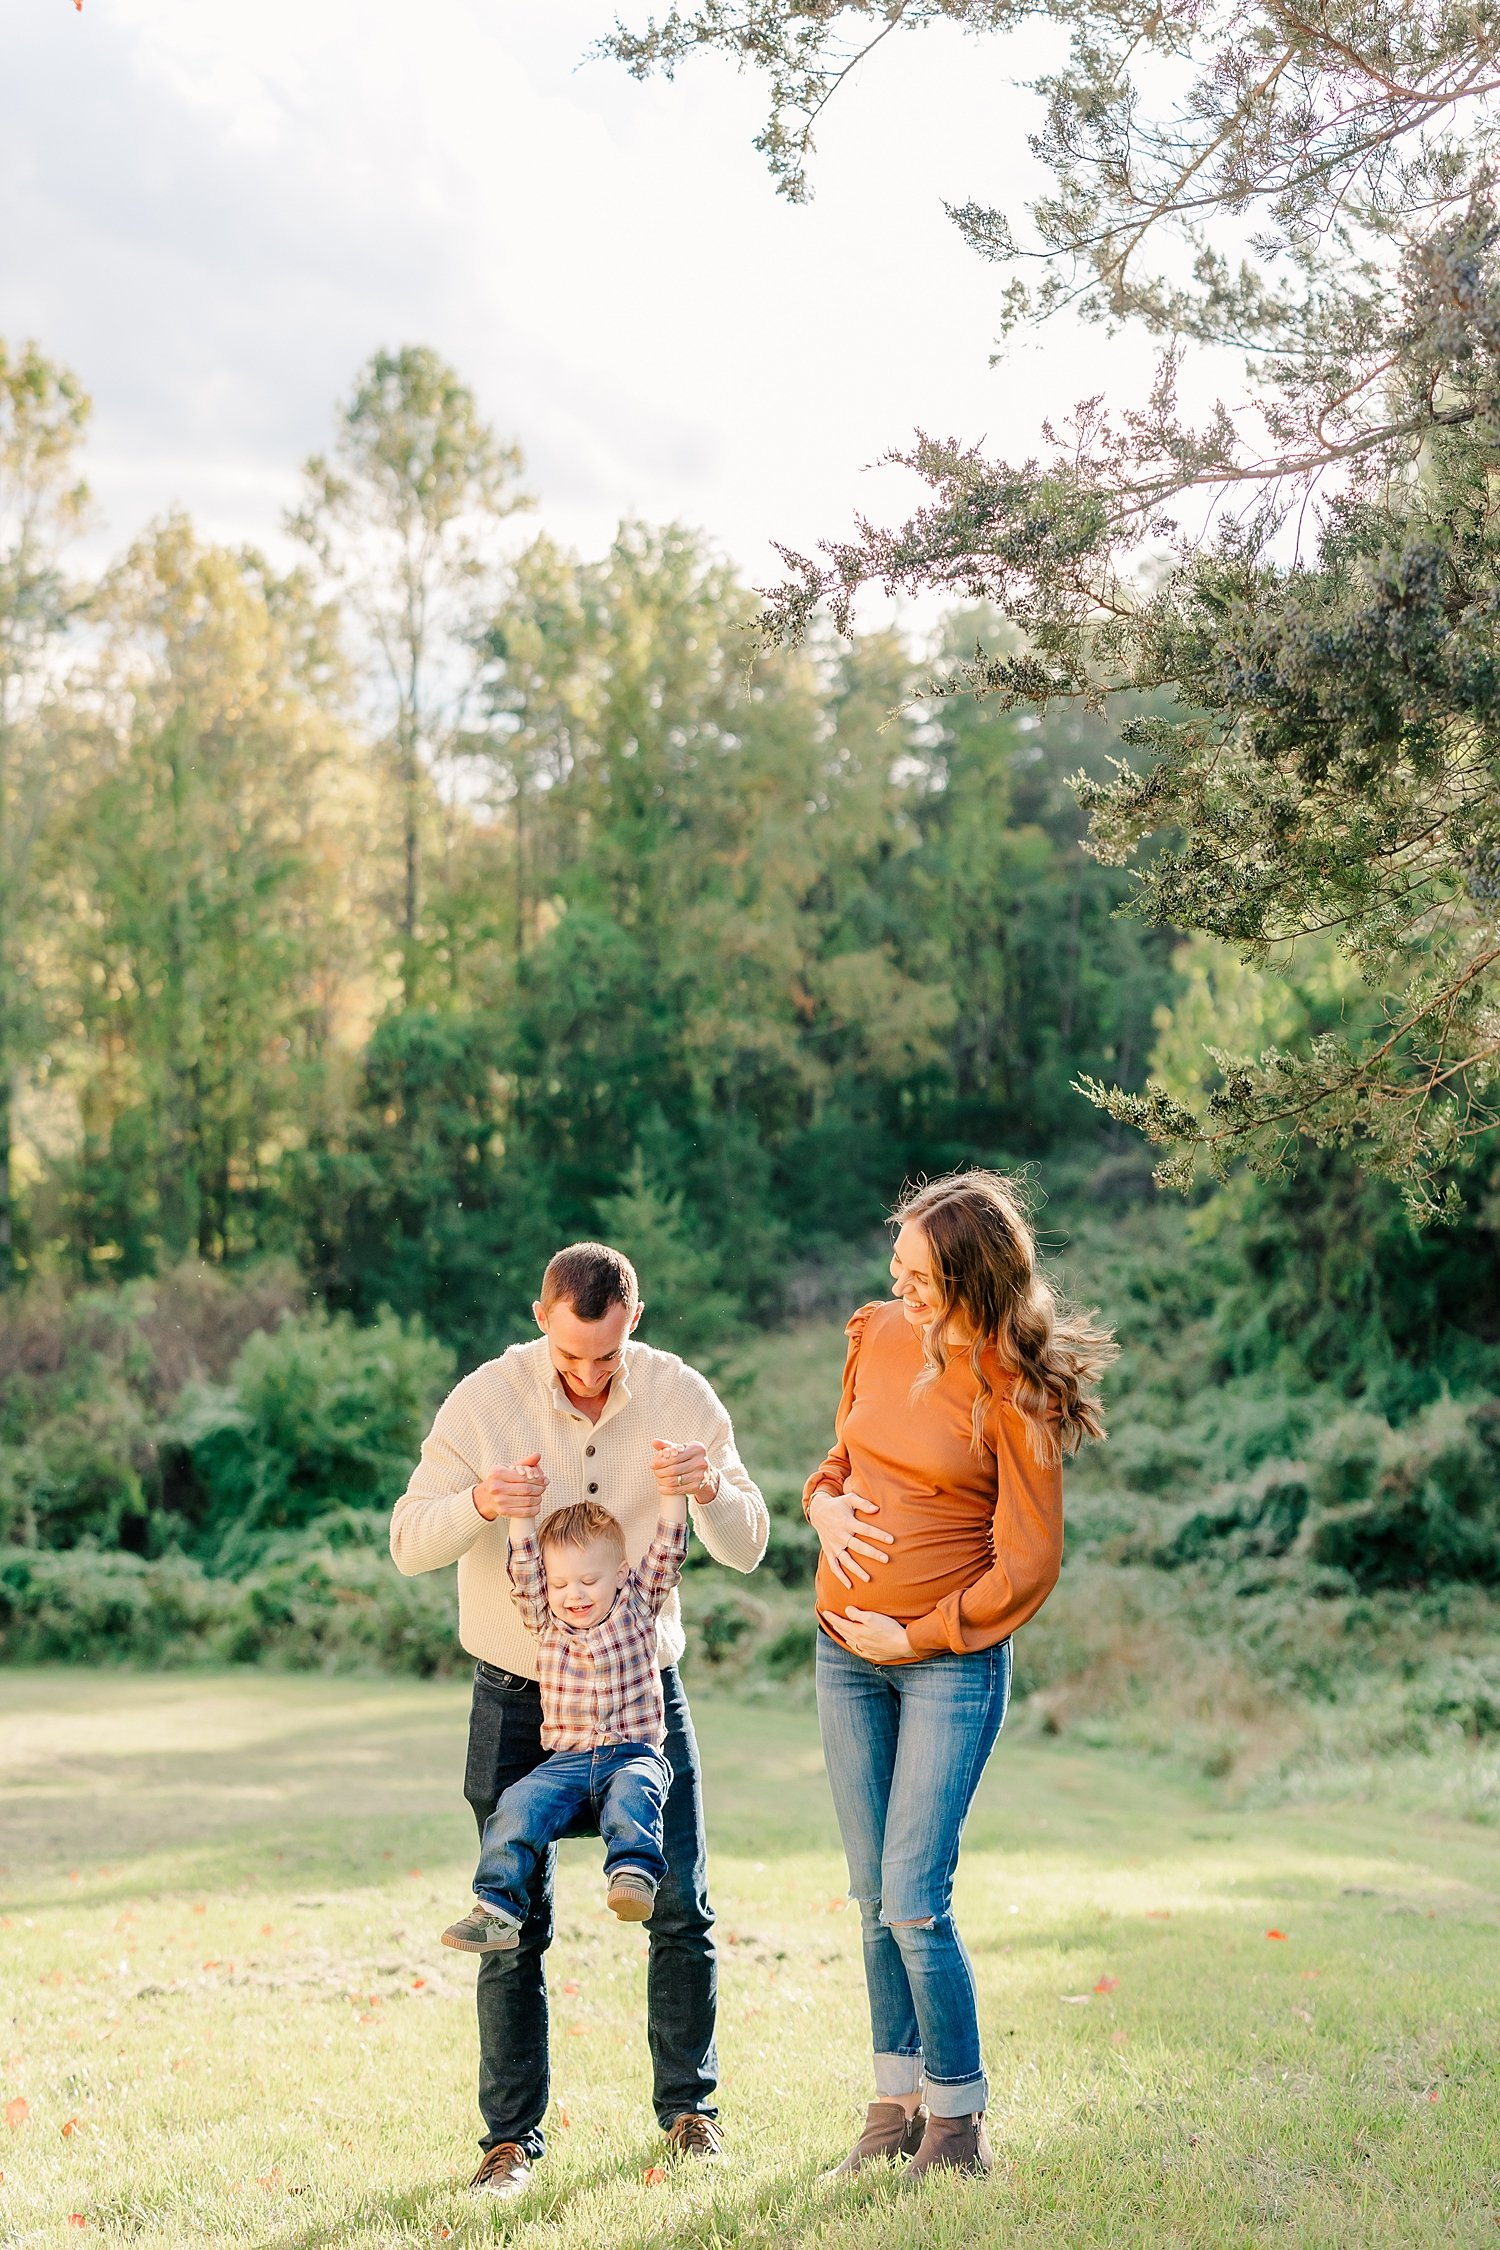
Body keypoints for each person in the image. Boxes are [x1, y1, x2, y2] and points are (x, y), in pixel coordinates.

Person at [390, 1241, 769, 2200]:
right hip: (518, 1696)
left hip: (644, 1697)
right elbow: (408, 1542)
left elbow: (750, 1546)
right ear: (539, 1318)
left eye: (605, 1357)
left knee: (681, 1908)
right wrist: (479, 1500)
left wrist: (710, 1489)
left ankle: (691, 2116)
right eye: (569, 1358)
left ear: (631, 1320)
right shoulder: (484, 1400)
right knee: (510, 1915)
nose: (589, 1377)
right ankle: (508, 2143)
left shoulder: (683, 1397)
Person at [805, 1169, 1116, 2183]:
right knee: (869, 1896)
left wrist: (925, 1633)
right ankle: (894, 2105)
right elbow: (842, 1459)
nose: (903, 1293)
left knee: (914, 1902)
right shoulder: (877, 1334)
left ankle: (960, 2122)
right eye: (896, 1271)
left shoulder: (1014, 1386)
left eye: (924, 1281)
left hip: (947, 1664)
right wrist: (821, 1505)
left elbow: (1027, 1563)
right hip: (842, 1649)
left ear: (976, 1281)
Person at [440, 1494, 688, 1950]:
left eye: (589, 1580)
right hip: (566, 1763)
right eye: (561, 1584)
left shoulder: (638, 1602)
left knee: (636, 1791)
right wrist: (522, 1514)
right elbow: (523, 1568)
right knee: (516, 1803)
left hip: (631, 1754)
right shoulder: (545, 1619)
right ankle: (498, 1907)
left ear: (619, 1574)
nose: (573, 1594)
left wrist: (673, 1494)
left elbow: (669, 1550)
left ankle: (632, 1875)